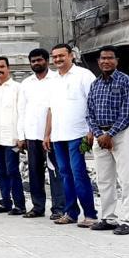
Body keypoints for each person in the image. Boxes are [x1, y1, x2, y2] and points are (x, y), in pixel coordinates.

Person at [45, 44, 99, 227]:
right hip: (58, 136)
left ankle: (90, 214)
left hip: (80, 135)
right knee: (65, 174)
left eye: (61, 55)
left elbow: (94, 105)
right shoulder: (52, 81)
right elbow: (51, 110)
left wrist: (92, 130)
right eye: (55, 56)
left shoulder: (84, 76)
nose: (58, 59)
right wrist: (47, 134)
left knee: (79, 173)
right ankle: (71, 213)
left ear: (71, 55)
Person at [86, 46, 129, 235]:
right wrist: (100, 134)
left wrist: (111, 134)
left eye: (109, 58)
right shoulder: (95, 84)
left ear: (117, 61)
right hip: (100, 136)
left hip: (121, 134)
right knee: (104, 180)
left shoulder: (126, 81)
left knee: (126, 179)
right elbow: (89, 113)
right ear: (99, 61)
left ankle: (128, 221)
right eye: (102, 58)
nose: (105, 61)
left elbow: (128, 112)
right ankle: (108, 218)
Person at [17, 48, 65, 219]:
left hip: (53, 135)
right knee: (35, 172)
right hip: (31, 135)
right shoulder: (26, 83)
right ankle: (37, 207)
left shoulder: (57, 80)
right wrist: (21, 136)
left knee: (55, 171)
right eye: (33, 61)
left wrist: (51, 133)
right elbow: (21, 111)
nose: (36, 63)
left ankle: (59, 208)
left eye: (39, 60)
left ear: (47, 61)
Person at [0, 57, 25, 216]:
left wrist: (21, 137)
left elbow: (22, 113)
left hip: (12, 139)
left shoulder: (17, 88)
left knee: (13, 171)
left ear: (8, 68)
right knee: (1, 172)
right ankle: (6, 202)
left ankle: (20, 205)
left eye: (2, 66)